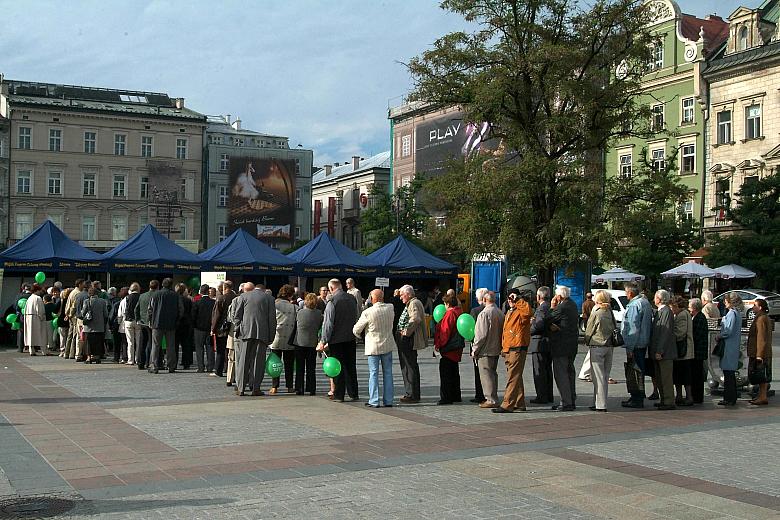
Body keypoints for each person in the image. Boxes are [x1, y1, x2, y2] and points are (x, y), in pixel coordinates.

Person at [318, 279, 359, 402]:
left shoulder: (333, 301)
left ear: (331, 288)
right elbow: (356, 316)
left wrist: (323, 340)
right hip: (350, 338)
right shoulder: (352, 299)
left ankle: (339, 395)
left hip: (336, 340)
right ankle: (353, 393)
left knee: (338, 367)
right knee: (351, 366)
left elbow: (328, 324)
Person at [354, 289, 396, 407]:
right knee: (388, 373)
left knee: (373, 373)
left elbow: (356, 329)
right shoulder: (390, 308)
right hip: (387, 344)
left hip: (373, 347)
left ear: (372, 299)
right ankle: (388, 400)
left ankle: (374, 400)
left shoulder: (368, 312)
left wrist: (361, 336)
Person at [233, 282, 276, 396]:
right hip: (262, 333)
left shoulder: (243, 296)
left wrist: (237, 329)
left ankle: (241, 388)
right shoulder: (269, 299)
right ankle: (256, 388)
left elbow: (237, 316)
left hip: (245, 333)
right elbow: (272, 319)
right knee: (259, 361)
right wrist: (271, 336)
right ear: (263, 290)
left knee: (243, 360)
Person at [494, 289, 532, 413]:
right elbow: (506, 332)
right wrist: (504, 349)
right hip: (510, 348)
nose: (510, 301)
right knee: (516, 376)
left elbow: (528, 313)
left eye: (512, 299)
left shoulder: (521, 311)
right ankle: (519, 402)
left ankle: (507, 404)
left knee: (513, 376)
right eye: (509, 299)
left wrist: (518, 299)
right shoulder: (510, 312)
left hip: (518, 348)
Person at [620, 282, 653, 408]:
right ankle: (636, 396)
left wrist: (630, 347)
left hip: (636, 344)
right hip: (642, 342)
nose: (625, 294)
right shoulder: (645, 302)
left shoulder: (634, 305)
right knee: (639, 370)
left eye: (626, 292)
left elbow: (633, 327)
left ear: (630, 293)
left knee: (635, 371)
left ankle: (637, 397)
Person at [584, 290, 616, 412]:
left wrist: (587, 340)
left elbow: (589, 329)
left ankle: (601, 405)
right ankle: (596, 401)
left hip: (597, 346)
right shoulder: (609, 311)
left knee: (598, 377)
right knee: (605, 375)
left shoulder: (597, 312)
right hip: (609, 346)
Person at [549, 286, 579, 411]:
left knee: (561, 374)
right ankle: (571, 399)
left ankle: (566, 402)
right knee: (570, 372)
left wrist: (552, 306)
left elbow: (548, 318)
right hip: (572, 345)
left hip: (561, 346)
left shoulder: (562, 307)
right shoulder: (572, 304)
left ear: (559, 296)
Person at [472, 291, 504, 409]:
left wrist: (475, 349)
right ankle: (493, 397)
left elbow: (481, 335)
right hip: (496, 348)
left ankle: (491, 399)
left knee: (486, 374)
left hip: (486, 349)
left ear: (484, 300)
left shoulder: (484, 313)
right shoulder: (499, 312)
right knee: (493, 373)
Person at [396, 284, 427, 404]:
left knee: (409, 366)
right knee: (410, 366)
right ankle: (412, 393)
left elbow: (415, 319)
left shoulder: (414, 303)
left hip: (409, 340)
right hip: (408, 339)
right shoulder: (412, 302)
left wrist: (406, 332)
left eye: (402, 295)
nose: (400, 298)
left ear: (408, 294)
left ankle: (412, 394)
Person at [433, 293, 464, 405]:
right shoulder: (459, 311)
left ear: (447, 303)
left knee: (446, 373)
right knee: (454, 372)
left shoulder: (450, 314)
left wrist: (439, 345)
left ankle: (446, 397)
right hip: (456, 348)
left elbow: (445, 332)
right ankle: (456, 395)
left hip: (448, 348)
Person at [148, 278, 183, 374]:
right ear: (171, 285)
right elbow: (181, 310)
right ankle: (171, 366)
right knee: (170, 346)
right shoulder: (175, 296)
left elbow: (150, 309)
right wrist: (177, 320)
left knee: (155, 345)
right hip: (171, 324)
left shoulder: (155, 294)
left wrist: (151, 321)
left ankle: (154, 366)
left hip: (157, 323)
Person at [649, 289, 677, 410]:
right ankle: (663, 399)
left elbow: (665, 333)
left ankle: (669, 401)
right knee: (660, 377)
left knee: (666, 378)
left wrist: (660, 350)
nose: (654, 300)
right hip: (658, 351)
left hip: (664, 352)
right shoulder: (661, 311)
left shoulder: (666, 312)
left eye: (655, 297)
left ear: (659, 299)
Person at [269, 284, 298, 394]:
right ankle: (290, 386)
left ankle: (274, 386)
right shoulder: (295, 307)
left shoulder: (274, 306)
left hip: (276, 337)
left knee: (275, 364)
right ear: (291, 295)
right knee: (289, 364)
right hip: (290, 339)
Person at [293, 293, 323, 396]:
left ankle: (299, 388)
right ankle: (311, 388)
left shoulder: (299, 312)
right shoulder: (319, 314)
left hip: (299, 342)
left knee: (300, 367)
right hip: (312, 342)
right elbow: (319, 327)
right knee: (311, 367)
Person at [529, 287, 553, 404]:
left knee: (539, 370)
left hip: (539, 343)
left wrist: (530, 326)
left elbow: (539, 325)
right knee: (547, 370)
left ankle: (542, 396)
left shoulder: (542, 308)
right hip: (547, 343)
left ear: (539, 297)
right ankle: (548, 395)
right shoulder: (549, 307)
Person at [718, 292, 743, 407]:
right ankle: (730, 397)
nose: (725, 303)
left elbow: (728, 330)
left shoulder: (732, 313)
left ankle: (729, 398)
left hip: (729, 346)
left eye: (726, 301)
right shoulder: (736, 313)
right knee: (729, 373)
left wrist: (720, 335)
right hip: (732, 345)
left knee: (728, 374)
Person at [747, 299, 772, 405]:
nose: (753, 307)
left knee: (761, 375)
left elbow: (761, 337)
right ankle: (762, 396)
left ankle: (762, 397)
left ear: (760, 307)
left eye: (755, 305)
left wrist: (759, 355)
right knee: (762, 376)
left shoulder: (761, 318)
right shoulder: (762, 317)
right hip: (764, 352)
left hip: (760, 353)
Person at [671, 295, 694, 407]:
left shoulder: (682, 315)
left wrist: (669, 336)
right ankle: (680, 396)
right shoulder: (684, 314)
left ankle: (687, 397)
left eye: (672, 307)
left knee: (683, 374)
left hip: (683, 351)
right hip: (683, 351)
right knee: (680, 374)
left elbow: (680, 333)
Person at [211, 281, 237, 378]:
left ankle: (218, 370)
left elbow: (216, 315)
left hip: (222, 328)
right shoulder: (236, 297)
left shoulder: (221, 298)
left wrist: (213, 329)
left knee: (221, 350)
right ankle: (229, 369)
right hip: (233, 327)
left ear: (224, 287)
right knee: (231, 350)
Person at [80, 285, 109, 364]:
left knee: (88, 343)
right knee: (98, 342)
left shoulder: (87, 301)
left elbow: (83, 313)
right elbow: (106, 314)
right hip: (99, 327)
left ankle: (89, 358)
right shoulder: (103, 301)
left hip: (89, 327)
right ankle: (97, 357)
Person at [468, 288, 488, 404]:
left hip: (478, 344)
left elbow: (472, 330)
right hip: (491, 345)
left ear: (477, 298)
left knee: (478, 371)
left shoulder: (475, 311)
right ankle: (488, 393)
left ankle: (480, 394)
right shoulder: (494, 309)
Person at [688, 298, 709, 404]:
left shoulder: (699, 318)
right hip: (698, 351)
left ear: (694, 308)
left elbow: (696, 335)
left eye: (690, 307)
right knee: (696, 374)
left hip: (698, 351)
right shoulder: (696, 317)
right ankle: (695, 395)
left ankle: (697, 396)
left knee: (697, 374)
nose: (689, 309)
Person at [135, 280, 159, 370]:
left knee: (142, 343)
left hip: (142, 322)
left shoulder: (142, 296)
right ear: (157, 286)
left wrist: (138, 319)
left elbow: (136, 309)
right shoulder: (157, 296)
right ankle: (149, 362)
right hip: (153, 322)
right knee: (151, 343)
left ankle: (140, 362)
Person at [192, 284, 216, 373]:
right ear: (208, 291)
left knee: (199, 348)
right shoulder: (213, 302)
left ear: (200, 292)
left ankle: (200, 367)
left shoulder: (197, 302)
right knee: (210, 347)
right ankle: (210, 366)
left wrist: (194, 326)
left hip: (199, 328)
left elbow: (193, 316)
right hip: (209, 328)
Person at [24, 285, 48, 356]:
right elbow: (40, 310)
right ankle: (44, 351)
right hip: (36, 318)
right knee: (41, 334)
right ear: (37, 290)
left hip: (29, 317)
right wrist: (42, 317)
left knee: (30, 334)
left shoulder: (29, 298)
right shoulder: (38, 298)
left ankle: (31, 350)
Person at [175, 283, 194, 370]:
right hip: (186, 324)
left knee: (175, 345)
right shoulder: (188, 300)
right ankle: (186, 363)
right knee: (186, 345)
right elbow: (191, 312)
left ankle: (174, 363)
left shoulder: (174, 300)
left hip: (176, 324)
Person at [122, 283, 141, 366]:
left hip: (128, 321)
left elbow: (123, 310)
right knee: (138, 341)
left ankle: (130, 360)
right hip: (138, 321)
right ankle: (138, 359)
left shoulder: (127, 298)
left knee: (130, 342)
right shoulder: (141, 297)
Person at [110, 287, 129, 363]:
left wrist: (111, 325)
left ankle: (116, 357)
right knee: (125, 342)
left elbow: (112, 316)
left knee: (117, 342)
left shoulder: (116, 304)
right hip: (125, 324)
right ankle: (125, 357)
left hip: (117, 324)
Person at [57, 288, 72, 358]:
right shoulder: (71, 301)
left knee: (62, 337)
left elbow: (55, 309)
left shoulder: (61, 301)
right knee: (69, 336)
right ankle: (68, 351)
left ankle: (62, 350)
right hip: (69, 320)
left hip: (61, 320)